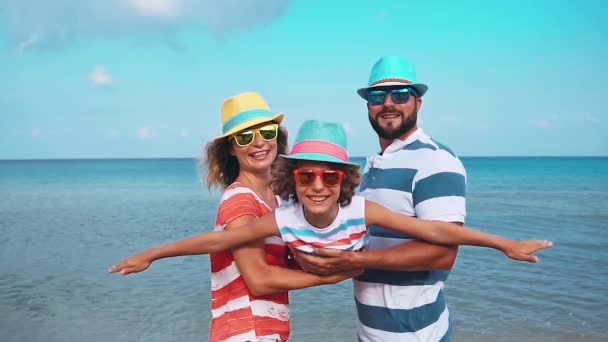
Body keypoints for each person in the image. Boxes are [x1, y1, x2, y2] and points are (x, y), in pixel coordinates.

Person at [110, 121, 552, 326]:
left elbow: (438, 231)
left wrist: (504, 244)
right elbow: (217, 238)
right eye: (306, 175)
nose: (317, 185)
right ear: (292, 180)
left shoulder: (362, 210)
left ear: (345, 181)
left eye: (329, 175)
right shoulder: (281, 218)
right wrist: (152, 254)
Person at [289, 55, 485, 341]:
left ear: (418, 102)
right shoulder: (372, 167)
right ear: (368, 106)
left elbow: (445, 253)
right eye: (378, 96)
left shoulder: (435, 160)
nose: (389, 103)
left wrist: (358, 263)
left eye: (401, 94)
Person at [160, 92, 359, 342]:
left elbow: (283, 264)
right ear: (232, 148)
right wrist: (329, 277)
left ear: (277, 135)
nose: (259, 143)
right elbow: (259, 280)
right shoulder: (240, 199)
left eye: (267, 132)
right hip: (247, 334)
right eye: (245, 137)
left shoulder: (275, 199)